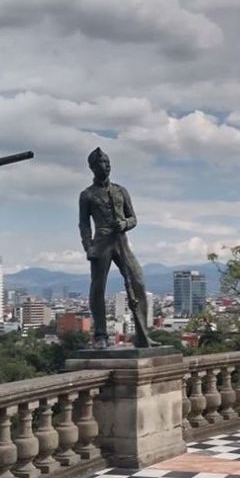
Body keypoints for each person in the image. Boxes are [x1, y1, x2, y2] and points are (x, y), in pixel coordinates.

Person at [79, 147, 156, 348]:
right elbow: (84, 224)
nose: (105, 167)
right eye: (101, 164)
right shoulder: (87, 195)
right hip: (101, 242)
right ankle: (101, 335)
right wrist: (88, 247)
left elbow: (133, 218)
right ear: (93, 168)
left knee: (138, 281)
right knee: (98, 288)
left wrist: (124, 224)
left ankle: (142, 334)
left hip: (121, 241)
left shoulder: (121, 191)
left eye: (107, 163)